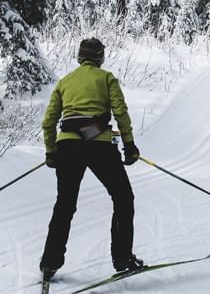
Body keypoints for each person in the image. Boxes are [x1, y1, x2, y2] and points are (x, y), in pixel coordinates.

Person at [40, 38, 143, 279]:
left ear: (80, 57)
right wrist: (129, 145)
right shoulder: (107, 79)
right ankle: (122, 258)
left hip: (67, 146)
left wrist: (51, 152)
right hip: (99, 146)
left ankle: (50, 262)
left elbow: (48, 122)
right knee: (123, 198)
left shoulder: (64, 82)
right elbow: (121, 112)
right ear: (100, 57)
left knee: (65, 204)